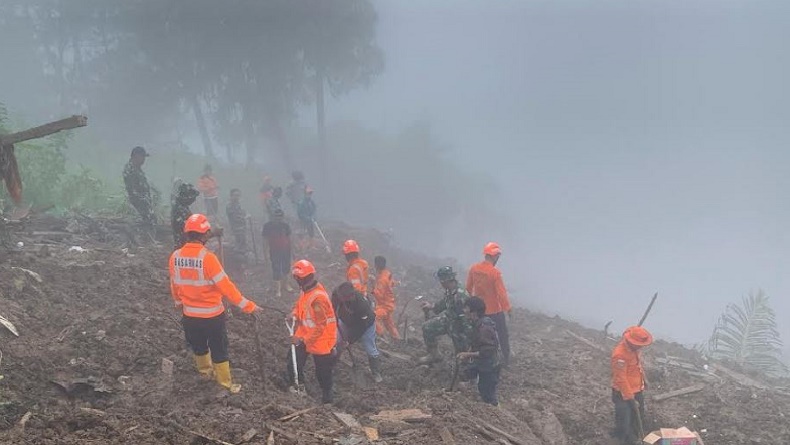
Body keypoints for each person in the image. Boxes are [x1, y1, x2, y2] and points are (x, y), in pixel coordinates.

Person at [168, 213, 261, 393]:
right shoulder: (208, 258)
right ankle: (224, 384)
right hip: (212, 316)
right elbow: (227, 288)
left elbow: (174, 283)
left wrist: (179, 301)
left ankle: (205, 373)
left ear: (187, 234)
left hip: (189, 315)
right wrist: (248, 306)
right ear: (204, 235)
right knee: (219, 348)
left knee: (199, 346)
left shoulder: (175, 256)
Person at [287, 259, 339, 404]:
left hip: (321, 339)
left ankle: (328, 399)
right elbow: (300, 306)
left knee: (323, 373)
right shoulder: (306, 290)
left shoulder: (318, 298)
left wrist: (303, 340)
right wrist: (294, 314)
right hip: (305, 333)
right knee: (293, 362)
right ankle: (299, 388)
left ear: (300, 278)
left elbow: (321, 325)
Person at [466, 242, 512, 366]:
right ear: (495, 256)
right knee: (502, 335)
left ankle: (474, 357)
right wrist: (508, 309)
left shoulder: (474, 268)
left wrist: (469, 307)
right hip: (494, 311)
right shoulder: (495, 273)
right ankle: (506, 359)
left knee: (478, 334)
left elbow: (468, 289)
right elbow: (501, 293)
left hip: (479, 311)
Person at [418, 266, 473, 364]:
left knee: (461, 354)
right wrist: (432, 306)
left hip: (459, 326)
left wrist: (469, 336)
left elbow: (465, 319)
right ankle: (434, 355)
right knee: (427, 328)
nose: (440, 283)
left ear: (445, 281)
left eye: (441, 281)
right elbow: (445, 302)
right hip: (449, 319)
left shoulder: (460, 296)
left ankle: (466, 373)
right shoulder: (450, 289)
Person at [331, 282, 382, 383]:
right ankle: (332, 365)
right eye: (340, 297)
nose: (341, 299)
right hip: (345, 321)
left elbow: (361, 327)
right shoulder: (337, 294)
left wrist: (350, 340)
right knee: (337, 341)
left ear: (351, 295)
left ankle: (376, 372)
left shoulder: (362, 305)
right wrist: (334, 319)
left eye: (343, 298)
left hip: (366, 325)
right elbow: (332, 308)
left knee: (369, 347)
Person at [611, 326, 653, 445]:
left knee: (637, 416)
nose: (641, 347)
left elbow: (637, 366)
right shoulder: (619, 355)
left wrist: (644, 379)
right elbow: (621, 379)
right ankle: (625, 440)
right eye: (639, 344)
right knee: (624, 420)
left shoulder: (635, 350)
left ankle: (635, 437)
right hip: (622, 393)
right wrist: (630, 398)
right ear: (631, 342)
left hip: (637, 389)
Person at [458, 297, 502, 406]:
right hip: (483, 363)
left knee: (488, 394)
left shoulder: (484, 328)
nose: (464, 311)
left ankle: (496, 411)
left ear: (474, 311)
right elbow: (476, 344)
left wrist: (467, 354)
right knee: (467, 373)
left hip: (489, 366)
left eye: (467, 308)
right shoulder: (478, 323)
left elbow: (486, 352)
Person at [122, 146, 155, 237]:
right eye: (142, 157)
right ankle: (145, 239)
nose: (144, 160)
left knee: (150, 221)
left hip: (143, 203)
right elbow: (132, 191)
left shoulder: (137, 169)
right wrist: (143, 202)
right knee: (144, 223)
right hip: (138, 204)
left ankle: (148, 238)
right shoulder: (130, 169)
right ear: (136, 156)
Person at [262, 208, 293, 297]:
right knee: (276, 267)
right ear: (273, 217)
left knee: (286, 267)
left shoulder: (285, 226)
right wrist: (265, 252)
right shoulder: (268, 226)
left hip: (286, 250)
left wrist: (293, 250)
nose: (278, 218)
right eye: (276, 216)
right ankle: (278, 289)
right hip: (274, 250)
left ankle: (286, 284)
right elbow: (265, 240)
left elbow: (289, 238)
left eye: (280, 216)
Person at [372, 256, 400, 340]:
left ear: (376, 265)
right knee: (389, 324)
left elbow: (379, 296)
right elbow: (391, 283)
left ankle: (381, 337)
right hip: (389, 305)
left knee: (373, 318)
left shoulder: (382, 279)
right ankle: (397, 339)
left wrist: (373, 286)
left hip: (384, 306)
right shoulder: (386, 274)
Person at [170, 183, 200, 248]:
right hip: (183, 246)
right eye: (192, 197)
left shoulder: (183, 206)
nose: (193, 200)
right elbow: (187, 229)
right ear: (186, 196)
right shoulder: (180, 210)